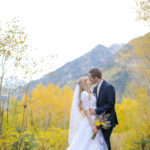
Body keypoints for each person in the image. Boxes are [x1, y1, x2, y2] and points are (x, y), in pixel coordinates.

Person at [66, 76, 108, 150]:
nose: (90, 80)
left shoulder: (91, 92)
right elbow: (87, 111)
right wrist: (93, 126)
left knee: (95, 143)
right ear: (84, 82)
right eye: (88, 80)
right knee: (88, 143)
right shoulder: (84, 94)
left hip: (96, 119)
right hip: (90, 122)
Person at [89, 68, 119, 150]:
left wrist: (95, 111)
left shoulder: (108, 87)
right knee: (100, 142)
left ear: (96, 77)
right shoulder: (95, 89)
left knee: (105, 141)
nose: (90, 79)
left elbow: (110, 105)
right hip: (99, 120)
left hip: (108, 119)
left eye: (91, 77)